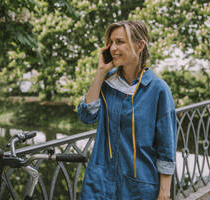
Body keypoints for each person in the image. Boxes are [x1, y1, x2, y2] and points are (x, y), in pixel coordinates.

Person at [77, 20, 177, 200]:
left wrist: (164, 192)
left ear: (140, 46)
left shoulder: (158, 90)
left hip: (139, 187)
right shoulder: (107, 83)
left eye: (120, 42)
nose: (113, 48)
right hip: (100, 184)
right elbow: (86, 116)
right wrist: (100, 73)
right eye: (111, 42)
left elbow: (166, 147)